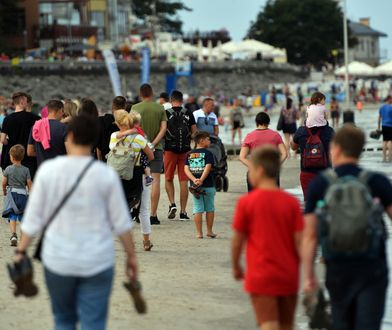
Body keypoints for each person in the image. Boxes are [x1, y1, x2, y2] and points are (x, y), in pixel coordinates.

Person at [14, 115, 139, 330]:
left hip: (58, 260)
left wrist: (21, 252)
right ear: (93, 140)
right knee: (94, 322)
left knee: (63, 320)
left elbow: (33, 220)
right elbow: (121, 224)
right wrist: (131, 256)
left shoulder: (48, 172)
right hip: (97, 260)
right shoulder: (105, 175)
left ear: (68, 136)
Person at [302, 125, 392, 330]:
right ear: (360, 150)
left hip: (338, 268)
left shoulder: (320, 184)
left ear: (337, 148)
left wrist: (309, 276)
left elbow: (310, 236)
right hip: (373, 268)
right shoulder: (377, 182)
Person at [232, 147, 303, 330]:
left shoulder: (247, 203)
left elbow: (237, 241)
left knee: (268, 323)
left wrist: (236, 266)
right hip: (289, 275)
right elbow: (299, 242)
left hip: (262, 275)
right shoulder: (291, 203)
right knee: (287, 325)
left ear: (260, 171)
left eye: (252, 169)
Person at [109, 110, 154, 251]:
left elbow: (111, 147)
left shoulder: (114, 137)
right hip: (136, 174)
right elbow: (151, 155)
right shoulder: (138, 139)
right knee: (143, 209)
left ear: (118, 123)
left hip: (118, 176)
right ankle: (146, 241)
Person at [132, 84, 167, 225]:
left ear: (140, 94)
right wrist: (153, 143)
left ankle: (139, 213)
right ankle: (153, 214)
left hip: (139, 149)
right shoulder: (160, 108)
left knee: (139, 181)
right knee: (156, 181)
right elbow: (163, 128)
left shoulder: (135, 108)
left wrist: (145, 143)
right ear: (152, 93)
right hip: (156, 148)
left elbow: (133, 128)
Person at [291, 92, 334, 201]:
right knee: (326, 202)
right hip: (326, 173)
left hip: (306, 172)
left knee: (309, 204)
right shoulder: (329, 132)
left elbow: (293, 147)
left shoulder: (301, 131)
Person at [164, 90, 196, 221]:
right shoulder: (188, 113)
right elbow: (194, 132)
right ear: (182, 100)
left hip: (169, 150)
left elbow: (163, 131)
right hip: (185, 151)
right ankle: (183, 212)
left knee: (168, 178)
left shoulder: (166, 113)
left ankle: (172, 204)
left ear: (171, 100)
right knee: (184, 181)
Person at [239, 112, 287, 191]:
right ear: (268, 122)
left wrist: (253, 166)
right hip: (271, 172)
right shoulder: (275, 135)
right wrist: (275, 165)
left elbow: (241, 157)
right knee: (272, 200)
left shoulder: (250, 136)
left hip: (255, 172)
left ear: (256, 122)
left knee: (254, 200)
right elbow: (284, 154)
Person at [0, 92, 40, 178]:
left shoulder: (7, 119)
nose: (27, 102)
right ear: (22, 102)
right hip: (30, 156)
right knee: (31, 185)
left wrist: (10, 142)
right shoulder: (35, 118)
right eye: (26, 101)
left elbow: (2, 140)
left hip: (14, 157)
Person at [184, 131, 216, 239]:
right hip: (208, 184)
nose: (209, 141)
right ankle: (209, 231)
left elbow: (186, 169)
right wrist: (201, 179)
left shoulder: (188, 154)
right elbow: (208, 166)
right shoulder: (208, 153)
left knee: (197, 208)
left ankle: (199, 233)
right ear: (201, 141)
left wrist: (194, 179)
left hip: (195, 186)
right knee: (210, 208)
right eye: (208, 139)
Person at [2, 145, 32, 246]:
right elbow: (29, 183)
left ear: (12, 157)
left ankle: (14, 235)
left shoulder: (8, 169)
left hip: (12, 195)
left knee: (12, 216)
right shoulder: (26, 170)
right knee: (23, 216)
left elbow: (4, 182)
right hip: (23, 195)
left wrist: (4, 191)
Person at [27, 100, 67, 168]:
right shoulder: (64, 128)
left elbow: (30, 152)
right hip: (60, 169)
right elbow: (70, 152)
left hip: (42, 169)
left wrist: (41, 155)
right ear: (61, 110)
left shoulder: (36, 126)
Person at [97, 96, 127, 162]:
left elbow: (98, 146)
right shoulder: (128, 123)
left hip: (105, 160)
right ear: (125, 107)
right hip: (124, 162)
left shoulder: (101, 121)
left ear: (112, 106)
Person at [378, 96, 392, 162]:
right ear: (389, 99)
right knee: (390, 141)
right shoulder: (391, 108)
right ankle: (390, 157)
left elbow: (379, 118)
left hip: (384, 126)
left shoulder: (381, 107)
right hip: (390, 126)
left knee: (384, 141)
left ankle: (384, 157)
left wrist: (378, 127)